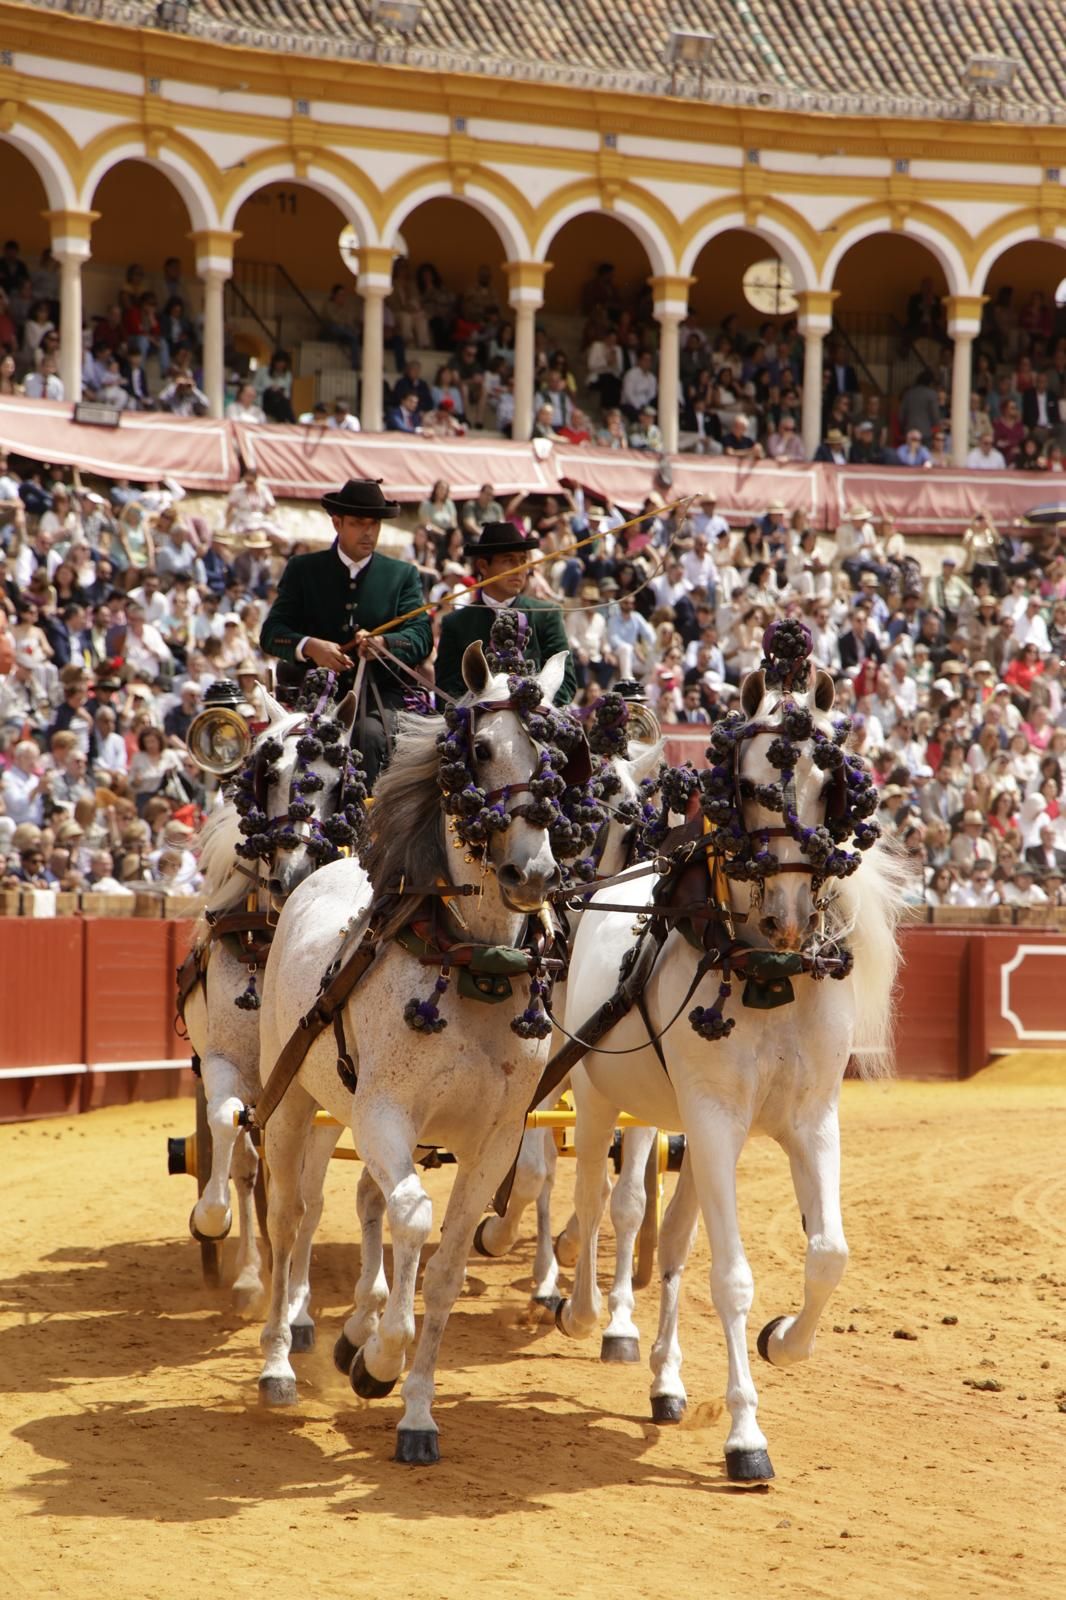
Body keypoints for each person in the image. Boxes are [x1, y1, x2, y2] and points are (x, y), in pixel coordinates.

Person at [260, 479, 431, 785]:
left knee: (369, 736)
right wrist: (310, 647)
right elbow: (272, 632)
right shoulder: (302, 569)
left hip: (377, 697)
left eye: (374, 524)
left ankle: (367, 813)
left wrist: (384, 643)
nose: (368, 532)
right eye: (358, 523)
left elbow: (421, 637)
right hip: (311, 695)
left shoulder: (402, 575)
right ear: (337, 523)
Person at [434, 522, 576, 706]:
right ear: (483, 566)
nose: (519, 568)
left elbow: (565, 682)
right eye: (509, 560)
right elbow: (446, 688)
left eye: (522, 560)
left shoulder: (547, 615)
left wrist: (532, 709)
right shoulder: (456, 623)